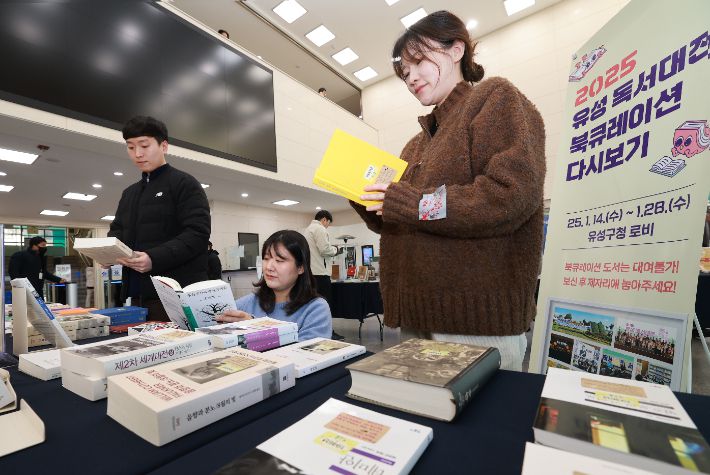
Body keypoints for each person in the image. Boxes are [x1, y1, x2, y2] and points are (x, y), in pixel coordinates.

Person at [350, 11, 546, 371]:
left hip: (477, 323)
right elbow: (402, 220)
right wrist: (367, 200)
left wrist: (411, 203)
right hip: (415, 316)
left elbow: (509, 193)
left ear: (457, 50)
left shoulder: (494, 98)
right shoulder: (414, 145)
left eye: (418, 61)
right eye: (404, 72)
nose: (410, 78)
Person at [109, 116, 211, 321]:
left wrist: (154, 258)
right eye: (130, 147)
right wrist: (109, 251)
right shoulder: (129, 193)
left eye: (144, 145)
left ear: (164, 146)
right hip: (136, 296)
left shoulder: (184, 183)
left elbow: (197, 233)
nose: (137, 154)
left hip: (175, 295)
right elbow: (117, 230)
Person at [216, 230, 332, 341]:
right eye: (266, 259)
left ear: (300, 267)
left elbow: (304, 352)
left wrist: (254, 327)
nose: (269, 267)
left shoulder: (316, 309)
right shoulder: (249, 302)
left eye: (279, 260)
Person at [303, 210, 345, 341]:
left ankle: (316, 331)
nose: (327, 226)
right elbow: (325, 250)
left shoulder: (307, 230)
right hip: (320, 274)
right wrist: (336, 250)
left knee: (312, 305)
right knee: (325, 305)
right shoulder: (320, 229)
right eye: (328, 223)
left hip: (310, 274)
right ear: (324, 219)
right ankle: (328, 332)